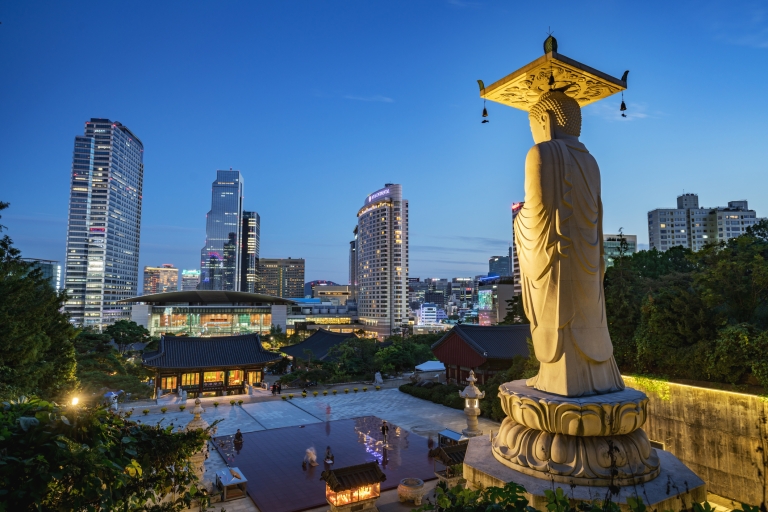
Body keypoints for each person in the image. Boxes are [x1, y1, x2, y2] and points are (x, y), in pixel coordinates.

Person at [516, 88, 624, 397]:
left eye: (533, 126)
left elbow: (536, 212)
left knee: (559, 315)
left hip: (557, 257)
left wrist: (518, 223)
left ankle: (557, 376)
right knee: (587, 312)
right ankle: (598, 375)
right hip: (588, 260)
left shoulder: (540, 153)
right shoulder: (591, 161)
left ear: (545, 120)